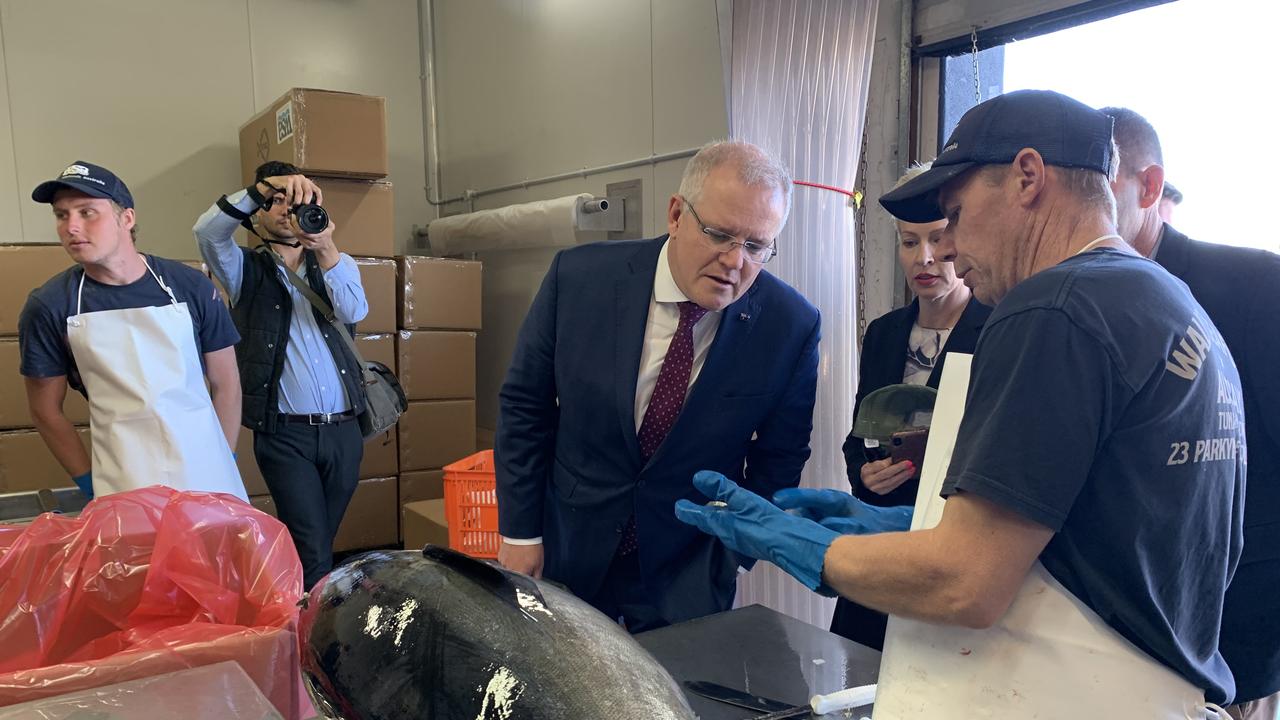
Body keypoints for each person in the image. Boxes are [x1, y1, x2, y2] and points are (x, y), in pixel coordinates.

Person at [677, 91, 1245, 717]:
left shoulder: (1056, 306)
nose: (945, 248)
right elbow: (1100, 540)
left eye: (956, 213)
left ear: (1027, 177)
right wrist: (887, 524)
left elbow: (965, 583)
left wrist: (803, 547)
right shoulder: (1168, 304)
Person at [495, 140, 820, 631]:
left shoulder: (789, 325)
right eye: (719, 235)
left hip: (686, 565)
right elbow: (526, 407)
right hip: (569, 544)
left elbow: (781, 455)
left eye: (756, 246)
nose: (735, 262)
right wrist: (521, 534)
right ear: (675, 214)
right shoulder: (580, 280)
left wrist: (730, 553)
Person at [1105, 105, 1280, 720]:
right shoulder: (1070, 306)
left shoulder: (1253, 283)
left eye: (1100, 186)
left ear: (1148, 188)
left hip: (1235, 633)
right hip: (1110, 632)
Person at [833, 161, 990, 650]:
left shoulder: (999, 331)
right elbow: (858, 436)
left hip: (952, 548)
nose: (925, 258)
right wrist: (864, 473)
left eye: (938, 239)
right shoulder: (883, 334)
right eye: (908, 242)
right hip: (879, 548)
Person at [19, 161, 245, 500]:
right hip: (123, 482)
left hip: (207, 473)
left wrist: (225, 459)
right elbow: (46, 410)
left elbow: (226, 382)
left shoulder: (190, 287)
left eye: (87, 212)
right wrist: (90, 483)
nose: (71, 227)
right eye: (62, 215)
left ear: (126, 219)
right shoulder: (49, 307)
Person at [195, 160, 369, 589]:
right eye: (276, 202)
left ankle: (289, 604)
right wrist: (262, 188)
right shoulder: (242, 269)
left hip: (345, 431)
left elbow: (355, 311)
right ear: (257, 213)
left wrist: (325, 246)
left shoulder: (335, 264)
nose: (286, 210)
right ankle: (313, 633)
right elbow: (207, 232)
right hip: (285, 435)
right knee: (312, 543)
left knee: (318, 539)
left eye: (297, 203)